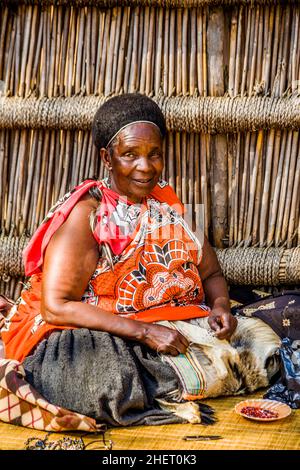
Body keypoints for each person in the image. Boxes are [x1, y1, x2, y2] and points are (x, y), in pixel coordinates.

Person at [0, 93, 238, 427]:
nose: (145, 167)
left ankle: (158, 384)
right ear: (107, 158)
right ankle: (163, 383)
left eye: (154, 154)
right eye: (130, 155)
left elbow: (211, 273)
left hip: (161, 330)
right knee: (91, 373)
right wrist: (144, 333)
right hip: (87, 333)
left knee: (276, 323)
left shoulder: (170, 207)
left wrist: (221, 307)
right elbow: (56, 307)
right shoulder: (87, 216)